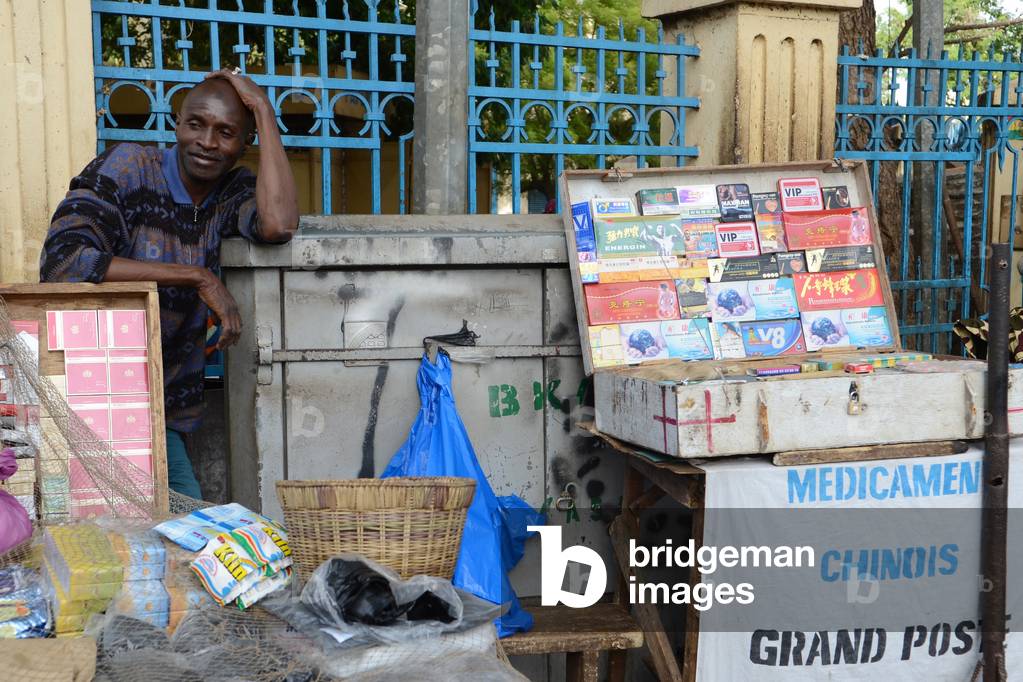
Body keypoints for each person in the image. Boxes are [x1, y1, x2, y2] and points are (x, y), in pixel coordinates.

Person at [39, 69, 298, 499]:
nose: (208, 142)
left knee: (185, 523)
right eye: (196, 124)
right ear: (178, 123)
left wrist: (265, 112)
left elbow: (278, 224)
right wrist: (197, 276)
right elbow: (65, 262)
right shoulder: (130, 167)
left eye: (227, 132)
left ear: (244, 143)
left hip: (162, 406)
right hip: (88, 396)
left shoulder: (233, 191)